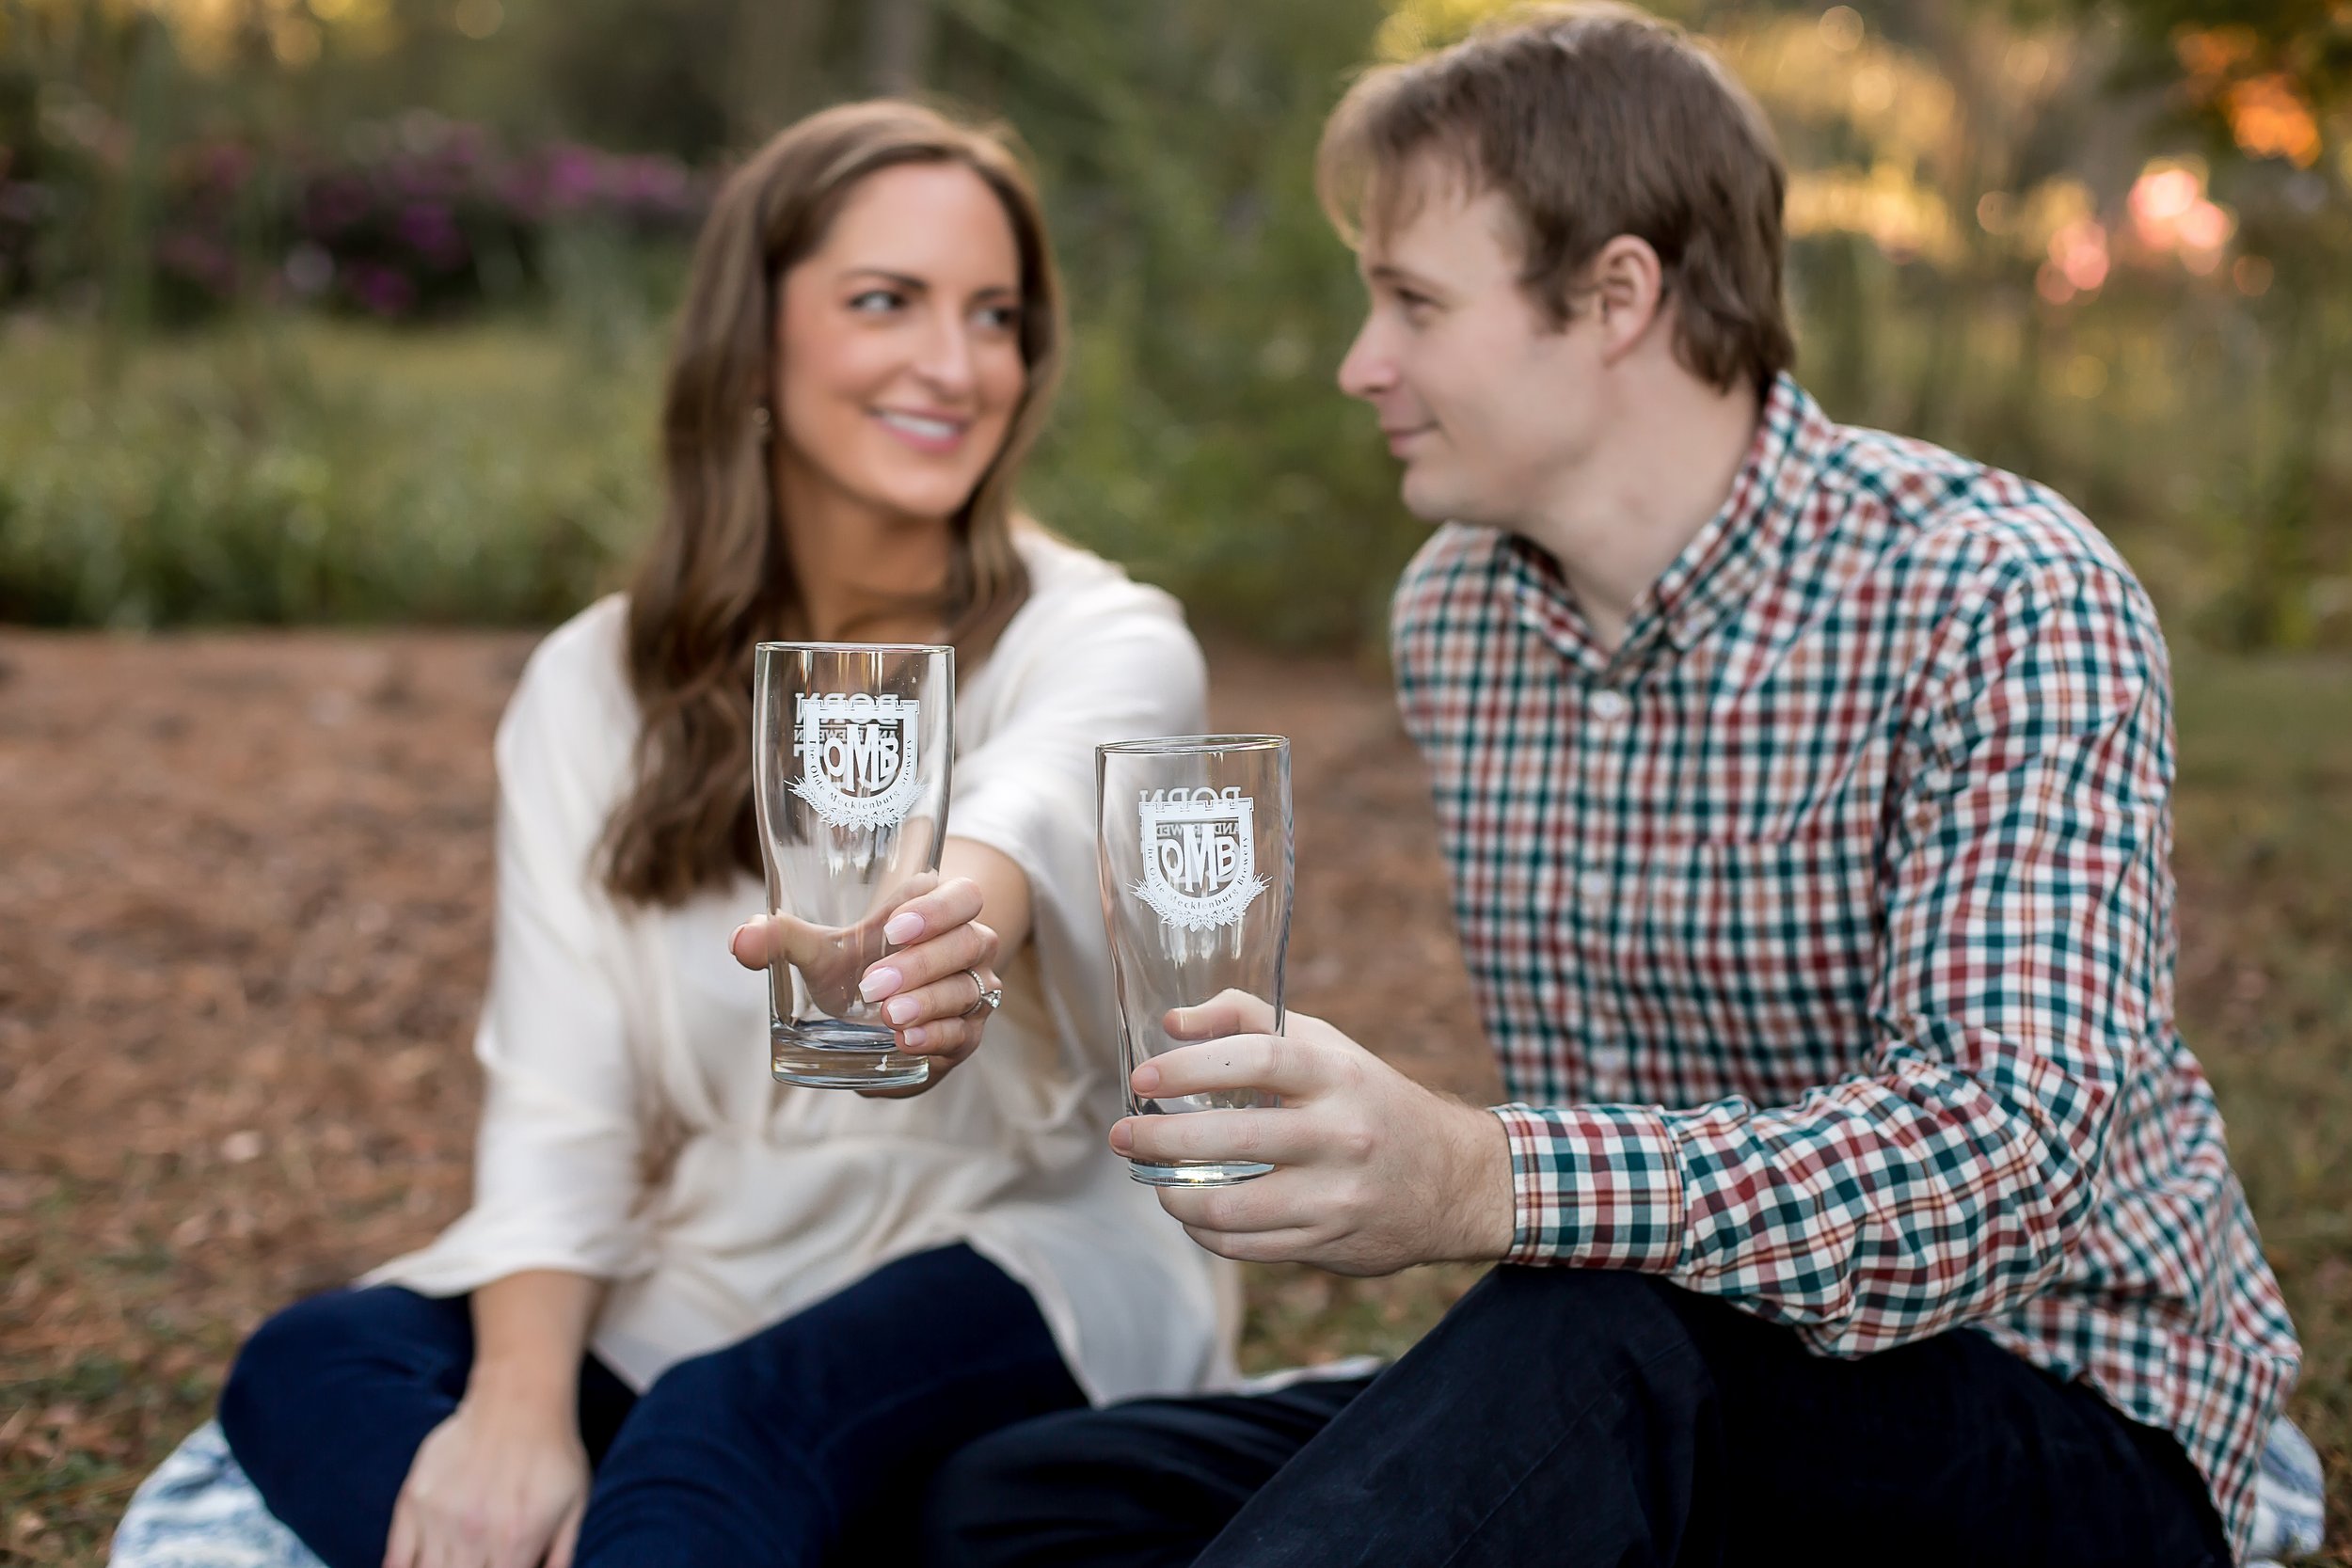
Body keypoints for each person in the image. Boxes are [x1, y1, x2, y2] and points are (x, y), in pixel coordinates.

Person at [919, 10, 2303, 1567]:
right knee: (1030, 1499)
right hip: (1652, 1379)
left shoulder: (1999, 591)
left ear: (1616, 296)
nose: (1358, 363)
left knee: (1593, 1328)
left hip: (2059, 1417)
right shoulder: (1459, 614)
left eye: (1413, 303)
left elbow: (2005, 1162)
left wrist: (1479, 1175)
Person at [116, 101, 1231, 1568]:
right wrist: (517, 1413)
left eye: (998, 316)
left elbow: (1034, 799)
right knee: (314, 1364)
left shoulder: (1103, 635)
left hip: (1028, 1246)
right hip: (719, 1253)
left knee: (719, 1434)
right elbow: (561, 1105)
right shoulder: (595, 682)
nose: (957, 367)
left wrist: (937, 928)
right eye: (885, 302)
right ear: (753, 343)